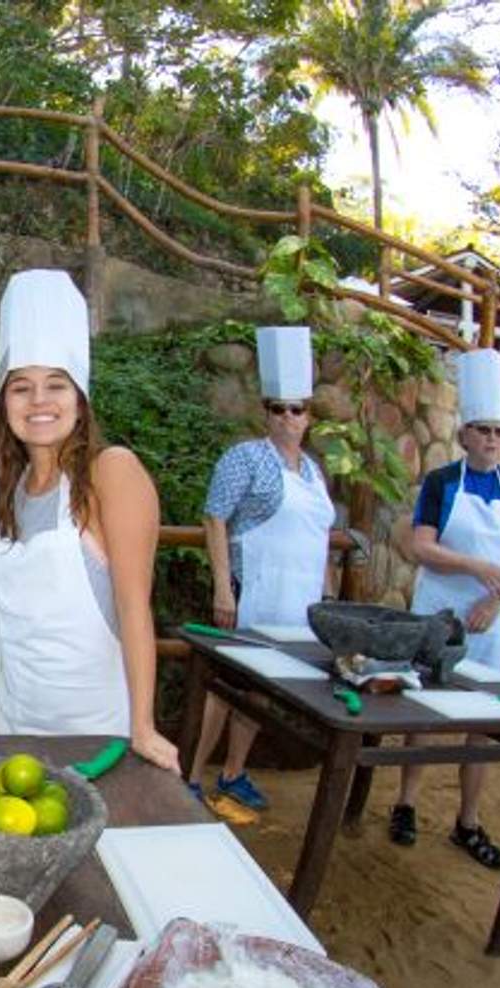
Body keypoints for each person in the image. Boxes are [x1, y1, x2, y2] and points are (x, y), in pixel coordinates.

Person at [0, 269, 180, 769]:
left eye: (56, 385)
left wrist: (143, 727)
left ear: (80, 398)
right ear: (4, 402)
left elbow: (136, 608)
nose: (40, 402)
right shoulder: (6, 487)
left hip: (93, 738)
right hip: (9, 727)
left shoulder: (111, 473)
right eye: (21, 387)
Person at [389, 348, 500, 869]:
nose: (491, 440)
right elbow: (421, 546)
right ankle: (406, 802)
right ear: (464, 435)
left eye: (499, 432)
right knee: (425, 704)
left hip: (493, 618)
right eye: (482, 430)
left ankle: (468, 820)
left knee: (480, 715)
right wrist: (475, 567)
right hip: (441, 607)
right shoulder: (441, 482)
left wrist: (499, 597)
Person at [187, 326, 335, 809]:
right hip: (253, 594)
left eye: (297, 409)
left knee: (263, 692)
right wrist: (223, 590)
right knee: (227, 686)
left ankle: (233, 773)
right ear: (265, 412)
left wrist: (328, 597)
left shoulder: (313, 472)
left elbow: (319, 540)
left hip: (300, 606)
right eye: (278, 409)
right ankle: (190, 775)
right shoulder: (244, 458)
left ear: (309, 416)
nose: (288, 418)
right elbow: (215, 517)